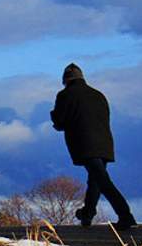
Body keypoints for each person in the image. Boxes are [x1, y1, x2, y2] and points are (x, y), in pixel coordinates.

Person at [49, 63, 137, 231]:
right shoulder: (98, 95)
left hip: (85, 143)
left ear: (66, 81)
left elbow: (60, 121)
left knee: (103, 181)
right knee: (96, 179)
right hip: (105, 143)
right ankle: (87, 214)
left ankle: (126, 215)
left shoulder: (65, 95)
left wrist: (53, 116)